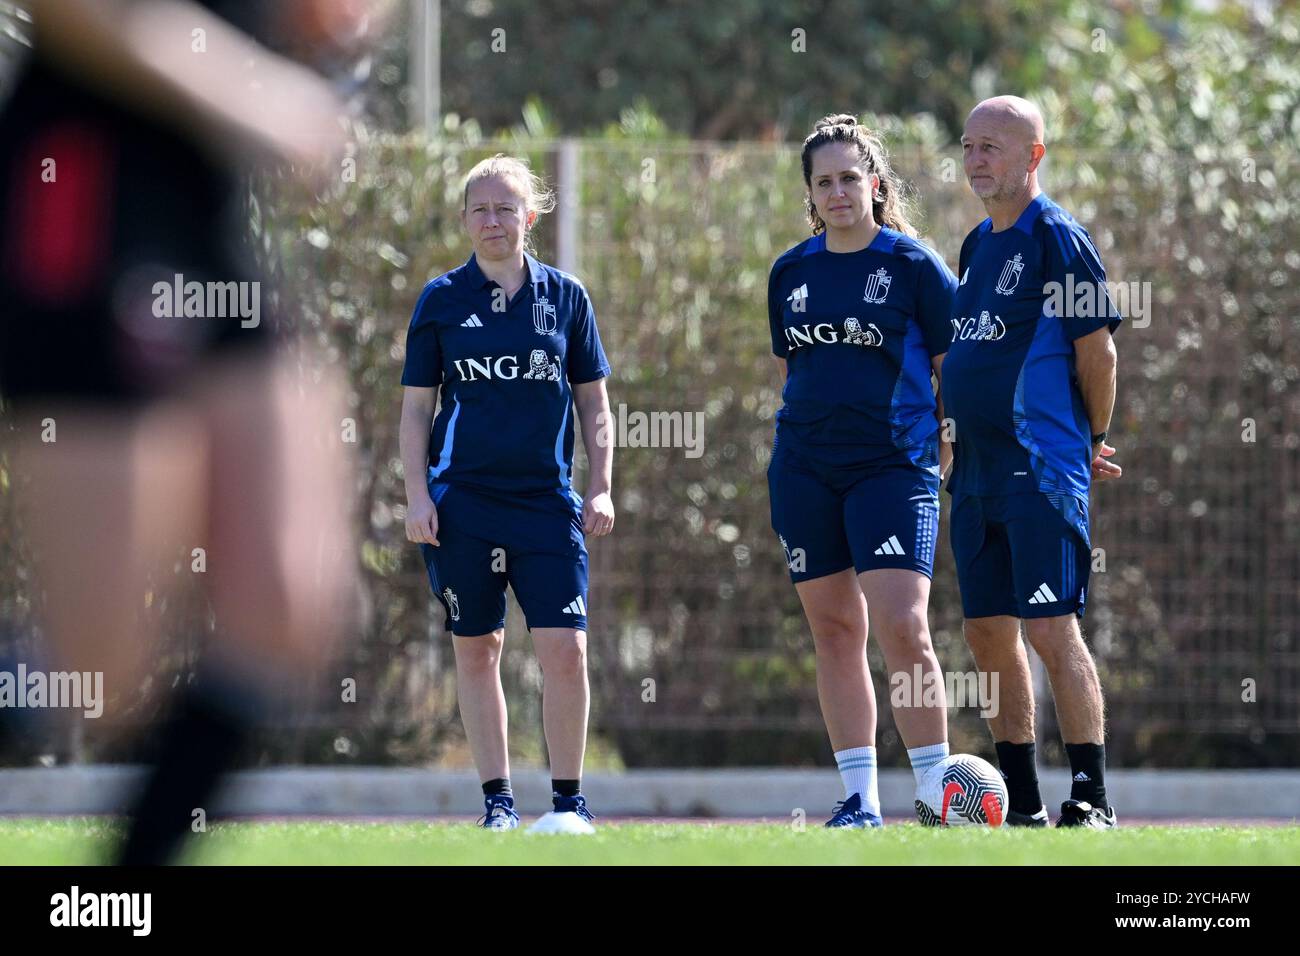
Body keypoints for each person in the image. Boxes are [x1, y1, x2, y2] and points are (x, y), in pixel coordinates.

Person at [0, 0, 369, 863]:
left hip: (215, 202)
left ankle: (114, 901)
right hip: (88, 182)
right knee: (101, 675)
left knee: (291, 599)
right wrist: (262, 98)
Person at [400, 154, 614, 834]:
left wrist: (602, 487)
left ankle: (569, 805)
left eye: (505, 208)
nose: (493, 220)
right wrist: (416, 496)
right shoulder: (440, 300)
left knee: (566, 649)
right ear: (465, 220)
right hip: (462, 503)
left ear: (532, 215)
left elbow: (595, 404)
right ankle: (497, 804)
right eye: (480, 209)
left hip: (547, 505)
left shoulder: (567, 298)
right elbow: (414, 411)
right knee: (479, 648)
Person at [766, 115, 958, 828]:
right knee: (836, 631)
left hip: (893, 468)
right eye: (824, 182)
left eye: (851, 178)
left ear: (876, 184)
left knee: (905, 627)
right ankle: (859, 801)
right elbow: (796, 372)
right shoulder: (790, 271)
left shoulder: (915, 268)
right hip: (805, 472)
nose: (839, 191)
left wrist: (942, 455)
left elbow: (952, 375)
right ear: (810, 196)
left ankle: (940, 791)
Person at [942, 95, 1123, 829]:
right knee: (986, 631)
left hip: (1040, 470)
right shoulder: (975, 247)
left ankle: (1093, 796)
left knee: (1052, 628)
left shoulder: (1060, 239)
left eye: (994, 146)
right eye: (970, 145)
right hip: (975, 476)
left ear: (1033, 156)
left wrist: (1088, 436)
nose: (978, 159)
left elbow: (1098, 351)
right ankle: (1020, 803)